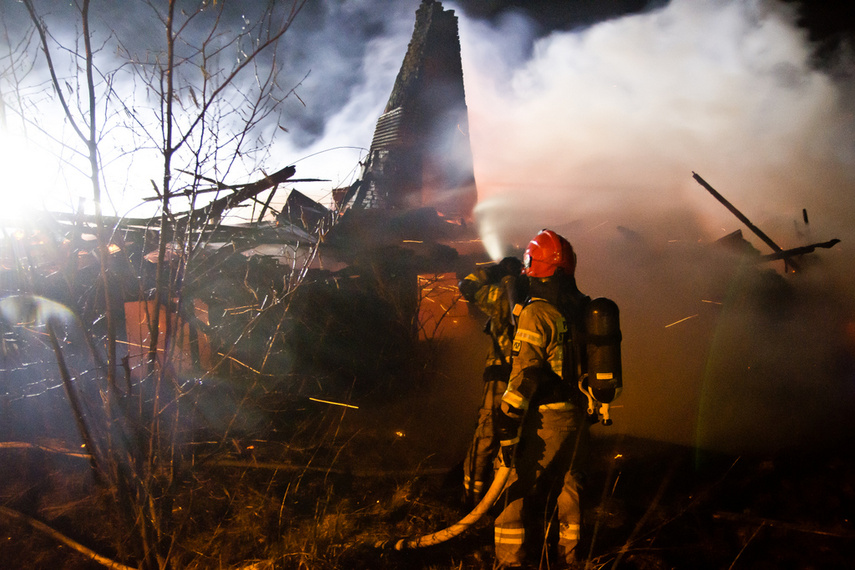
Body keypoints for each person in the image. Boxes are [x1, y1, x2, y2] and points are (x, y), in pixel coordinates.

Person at [493, 229, 592, 569]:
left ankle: (510, 561)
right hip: (578, 413)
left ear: (533, 264)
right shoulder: (581, 307)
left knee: (512, 489)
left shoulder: (537, 313)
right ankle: (570, 558)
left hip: (546, 418)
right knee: (570, 487)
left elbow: (526, 374)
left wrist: (507, 422)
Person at [458, 255, 525, 506]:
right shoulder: (537, 297)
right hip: (531, 376)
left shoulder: (499, 296)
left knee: (487, 431)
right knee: (520, 435)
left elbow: (466, 286)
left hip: (499, 374)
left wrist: (489, 273)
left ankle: (471, 499)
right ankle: (507, 495)